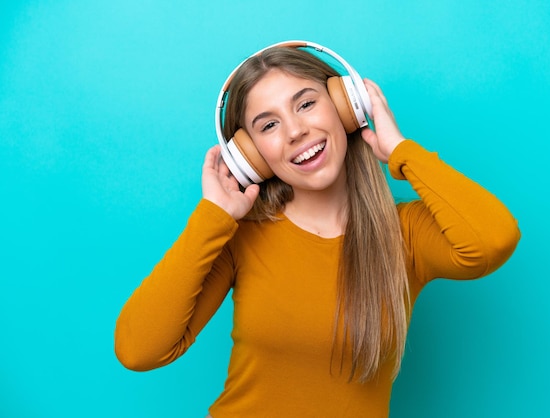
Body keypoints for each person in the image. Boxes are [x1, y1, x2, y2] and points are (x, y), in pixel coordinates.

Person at [114, 42, 520, 417]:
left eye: (306, 104)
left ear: (347, 107)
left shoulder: (405, 235)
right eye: (268, 126)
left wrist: (401, 151)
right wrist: (211, 218)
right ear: (252, 157)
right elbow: (138, 349)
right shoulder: (240, 238)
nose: (295, 132)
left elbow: (493, 239)